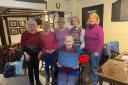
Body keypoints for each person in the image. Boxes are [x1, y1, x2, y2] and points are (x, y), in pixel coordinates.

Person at [84, 12, 104, 85]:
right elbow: (86, 39)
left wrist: (97, 52)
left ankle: (94, 82)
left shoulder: (99, 28)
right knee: (89, 67)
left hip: (95, 52)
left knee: (94, 68)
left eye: (93, 18)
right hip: (87, 51)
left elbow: (101, 42)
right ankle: (93, 80)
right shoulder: (87, 28)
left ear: (96, 19)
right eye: (90, 18)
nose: (91, 19)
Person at [20, 19, 42, 85]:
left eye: (33, 24)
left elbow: (41, 44)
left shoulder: (38, 33)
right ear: (27, 26)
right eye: (30, 24)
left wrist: (40, 52)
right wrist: (25, 54)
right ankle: (31, 82)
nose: (31, 26)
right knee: (30, 69)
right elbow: (22, 45)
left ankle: (37, 80)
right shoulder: (25, 33)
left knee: (36, 67)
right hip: (28, 53)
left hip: (37, 53)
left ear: (35, 25)